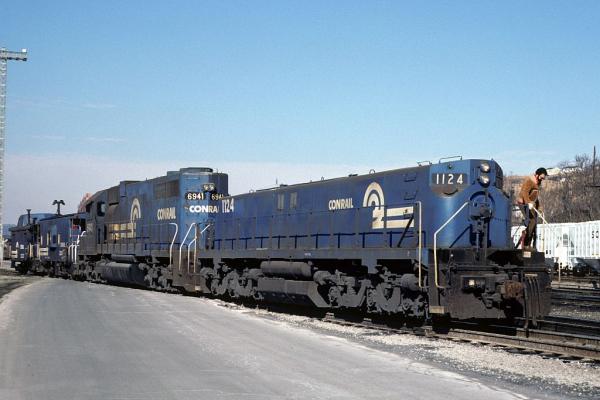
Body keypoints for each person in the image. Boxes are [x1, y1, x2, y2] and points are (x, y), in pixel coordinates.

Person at [517, 167, 548, 250]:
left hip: (531, 204)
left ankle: (529, 242)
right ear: (537, 175)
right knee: (532, 221)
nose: (542, 179)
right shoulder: (530, 181)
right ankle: (526, 243)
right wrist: (528, 202)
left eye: (543, 178)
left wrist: (539, 207)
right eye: (541, 177)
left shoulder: (537, 183)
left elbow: (535, 197)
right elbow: (524, 192)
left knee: (534, 224)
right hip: (523, 203)